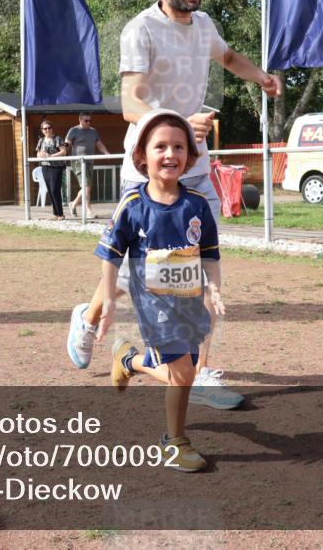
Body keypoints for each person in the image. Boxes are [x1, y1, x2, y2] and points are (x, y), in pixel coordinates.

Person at [67, 0, 281, 409]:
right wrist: (181, 125)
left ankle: (200, 372)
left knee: (198, 270)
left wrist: (261, 77)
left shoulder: (204, 26)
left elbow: (228, 58)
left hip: (196, 170)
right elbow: (131, 103)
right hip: (147, 170)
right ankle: (88, 318)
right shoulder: (140, 30)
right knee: (133, 275)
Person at [98, 110, 223, 472]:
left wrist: (214, 290)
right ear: (142, 156)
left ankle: (129, 360)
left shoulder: (197, 204)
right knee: (183, 373)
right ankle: (174, 442)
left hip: (189, 300)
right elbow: (110, 254)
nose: (171, 154)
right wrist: (108, 300)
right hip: (153, 303)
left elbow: (210, 252)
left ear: (190, 155)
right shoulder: (132, 205)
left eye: (179, 147)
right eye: (161, 147)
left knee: (185, 370)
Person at [66, 113, 110, 219]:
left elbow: (99, 144)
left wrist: (106, 152)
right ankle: (88, 210)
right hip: (78, 161)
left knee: (87, 187)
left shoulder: (93, 131)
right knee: (86, 186)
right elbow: (67, 143)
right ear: (80, 120)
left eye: (90, 121)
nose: (88, 122)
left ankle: (73, 203)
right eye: (86, 121)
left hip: (89, 162)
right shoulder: (74, 130)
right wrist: (62, 151)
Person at [35, 120, 67, 220]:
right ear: (42, 130)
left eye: (49, 128)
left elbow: (63, 151)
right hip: (45, 167)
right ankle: (56, 214)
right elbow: (38, 153)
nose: (47, 130)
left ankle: (60, 214)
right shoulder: (41, 140)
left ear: (52, 129)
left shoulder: (57, 139)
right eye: (45, 128)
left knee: (54, 189)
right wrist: (40, 155)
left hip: (56, 167)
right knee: (50, 190)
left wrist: (51, 156)